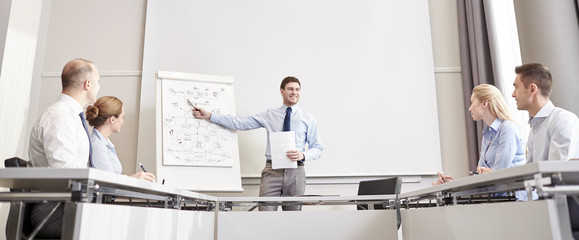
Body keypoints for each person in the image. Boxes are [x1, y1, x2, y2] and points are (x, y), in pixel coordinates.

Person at [192, 76, 323, 211]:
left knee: (292, 220)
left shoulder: (308, 118)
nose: (294, 92)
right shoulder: (269, 115)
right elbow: (240, 123)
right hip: (272, 171)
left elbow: (318, 148)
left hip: (296, 172)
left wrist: (303, 154)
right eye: (290, 89)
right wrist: (210, 116)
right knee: (264, 217)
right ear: (282, 91)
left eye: (297, 89)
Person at [28, 58, 101, 238]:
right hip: (53, 209)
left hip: (67, 203)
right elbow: (65, 172)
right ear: (88, 84)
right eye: (98, 82)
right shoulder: (58, 117)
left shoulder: (71, 117)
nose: (99, 86)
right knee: (115, 224)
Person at [434, 84, 526, 188]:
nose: (469, 108)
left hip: (515, 198)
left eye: (472, 102)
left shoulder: (508, 128)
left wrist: (486, 174)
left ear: (485, 103)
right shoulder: (487, 133)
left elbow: (498, 174)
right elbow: (481, 177)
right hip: (498, 197)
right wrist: (453, 184)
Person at [511, 63, 579, 162]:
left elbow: (558, 171)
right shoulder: (535, 126)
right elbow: (532, 171)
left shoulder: (563, 120)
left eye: (516, 87)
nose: (513, 94)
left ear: (532, 89)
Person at [85, 96, 156, 182]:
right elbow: (108, 180)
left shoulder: (104, 143)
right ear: (112, 119)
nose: (122, 122)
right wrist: (134, 178)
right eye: (122, 117)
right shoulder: (97, 145)